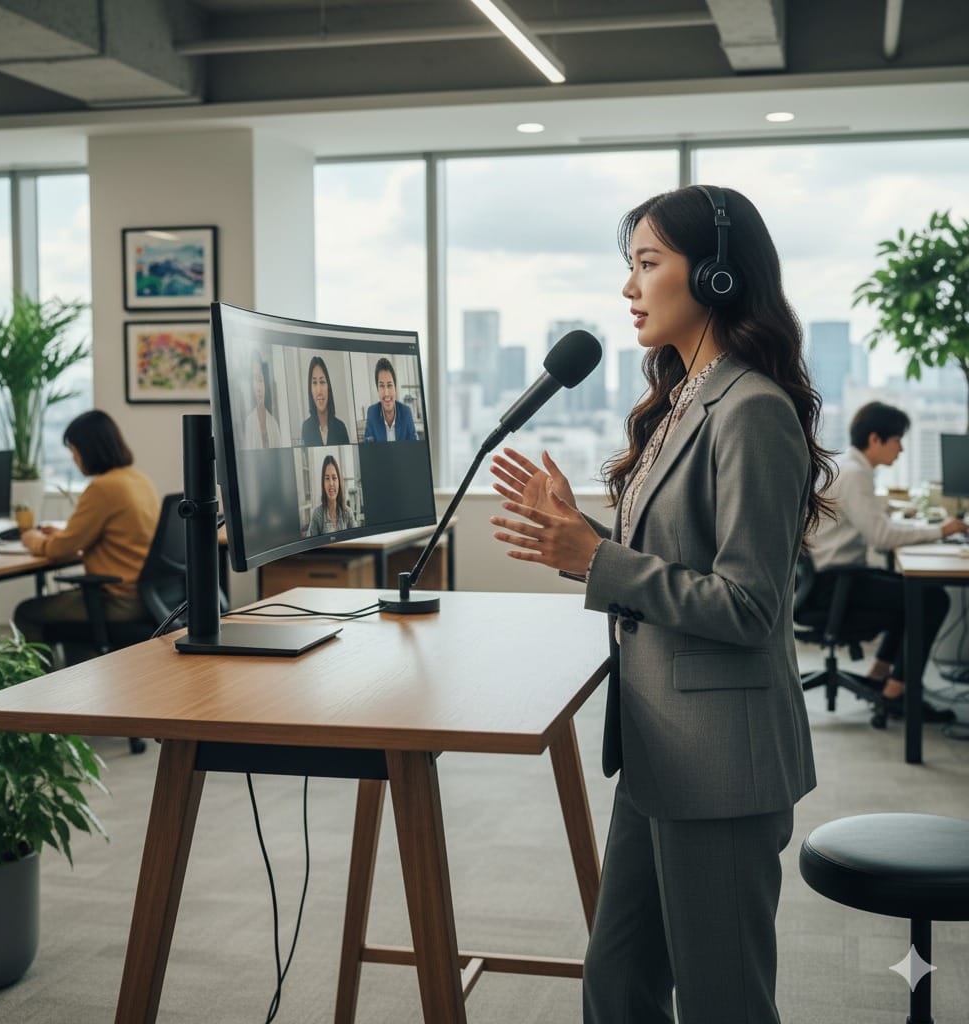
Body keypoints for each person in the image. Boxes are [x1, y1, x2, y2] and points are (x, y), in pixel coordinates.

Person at [490, 185, 827, 1024]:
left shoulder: (751, 409)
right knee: (618, 984)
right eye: (630, 265)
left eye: (648, 263)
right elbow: (675, 561)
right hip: (660, 751)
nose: (629, 287)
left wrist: (595, 558)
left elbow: (749, 605)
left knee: (722, 1001)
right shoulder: (684, 399)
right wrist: (580, 537)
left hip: (721, 761)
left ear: (715, 277)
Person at [806, 401, 964, 722]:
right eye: (897, 440)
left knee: (915, 589)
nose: (901, 449)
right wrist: (941, 530)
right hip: (834, 585)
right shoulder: (854, 474)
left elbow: (874, 521)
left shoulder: (848, 466)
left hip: (828, 579)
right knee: (931, 598)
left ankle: (881, 676)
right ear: (875, 439)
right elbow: (880, 536)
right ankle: (897, 694)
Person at [14, 410, 160, 655]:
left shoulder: (103, 487)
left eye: (73, 450)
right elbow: (112, 537)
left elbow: (60, 550)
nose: (73, 458)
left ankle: (43, 680)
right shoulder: (137, 480)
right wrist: (63, 533)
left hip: (118, 601)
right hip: (149, 596)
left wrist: (32, 538)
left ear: (88, 450)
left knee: (26, 613)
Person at [362, 357, 417, 442]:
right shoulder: (372, 413)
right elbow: (367, 446)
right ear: (377, 390)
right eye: (381, 386)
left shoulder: (406, 412)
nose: (386, 393)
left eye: (389, 385)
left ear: (395, 388)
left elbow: (414, 445)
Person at [300, 355, 350, 446]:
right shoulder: (306, 428)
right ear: (310, 389)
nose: (319, 391)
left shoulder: (341, 428)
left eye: (322, 382)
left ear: (328, 387)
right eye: (314, 383)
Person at [306, 453, 356, 536]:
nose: (331, 483)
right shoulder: (317, 515)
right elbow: (310, 542)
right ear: (323, 483)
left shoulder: (348, 513)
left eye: (334, 478)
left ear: (339, 481)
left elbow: (357, 540)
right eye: (327, 478)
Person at [242, 349, 283, 449]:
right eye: (255, 380)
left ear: (266, 384)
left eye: (260, 380)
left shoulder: (274, 424)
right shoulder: (249, 423)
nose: (258, 388)